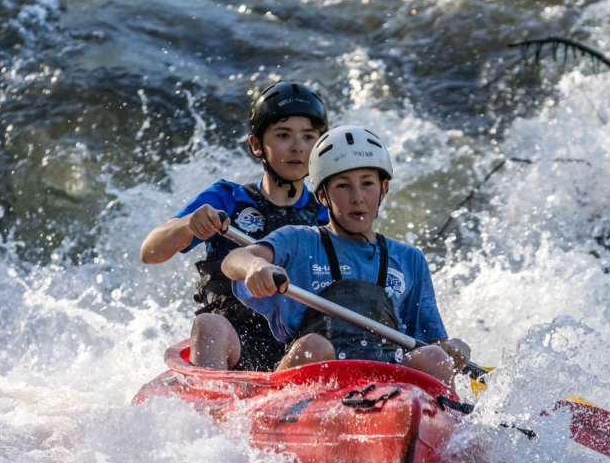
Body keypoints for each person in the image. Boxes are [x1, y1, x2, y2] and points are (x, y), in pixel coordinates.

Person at [222, 125, 471, 385]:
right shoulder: (299, 240)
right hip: (317, 378)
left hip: (387, 384)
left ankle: (441, 411)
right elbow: (234, 260)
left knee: (434, 357)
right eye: (343, 186)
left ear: (384, 188)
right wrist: (255, 265)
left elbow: (432, 342)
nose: (357, 198)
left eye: (367, 184)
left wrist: (452, 348)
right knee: (314, 346)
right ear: (322, 195)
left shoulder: (410, 259)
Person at [140, 81, 330, 371]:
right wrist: (189, 225)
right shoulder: (228, 198)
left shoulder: (325, 214)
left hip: (296, 350)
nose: (298, 147)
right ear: (256, 145)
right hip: (232, 344)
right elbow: (150, 252)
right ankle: (209, 397)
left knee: (319, 343)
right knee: (208, 324)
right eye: (283, 135)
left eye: (308, 136)